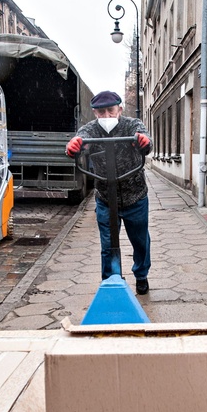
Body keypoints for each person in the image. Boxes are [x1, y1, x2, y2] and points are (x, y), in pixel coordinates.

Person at [65, 90, 153, 295]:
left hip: (135, 195)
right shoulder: (90, 130)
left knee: (140, 241)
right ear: (95, 113)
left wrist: (143, 142)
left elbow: (145, 139)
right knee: (108, 244)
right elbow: (79, 140)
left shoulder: (131, 125)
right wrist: (73, 147)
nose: (106, 116)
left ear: (119, 109)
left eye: (110, 111)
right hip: (105, 196)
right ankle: (112, 280)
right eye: (101, 112)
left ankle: (141, 275)